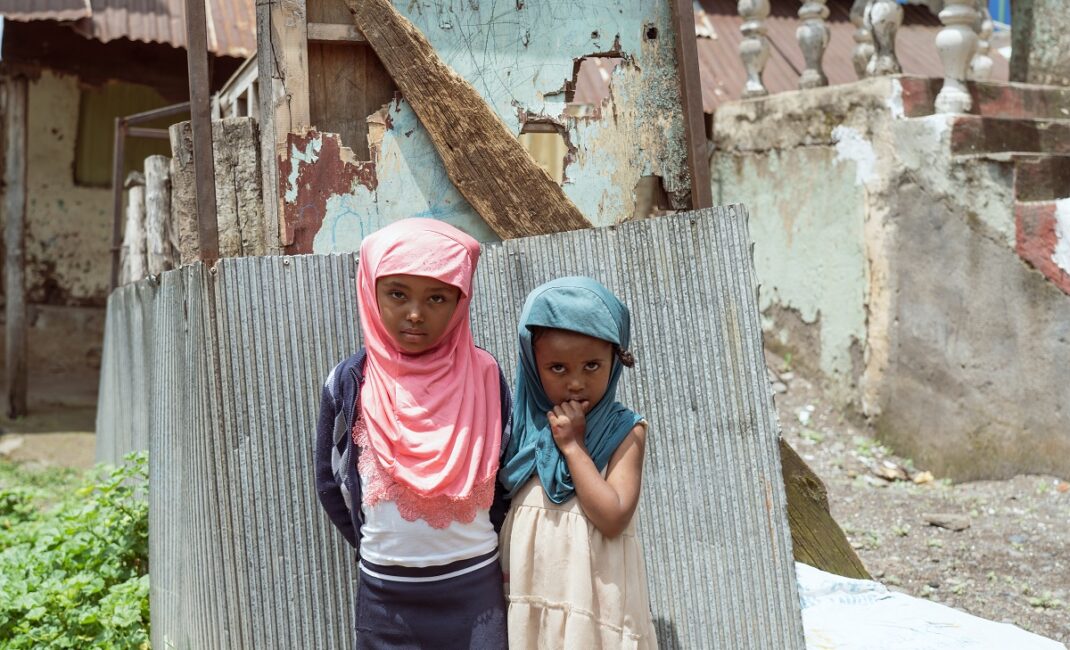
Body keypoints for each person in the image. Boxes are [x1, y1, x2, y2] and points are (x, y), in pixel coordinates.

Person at [314, 218, 510, 649]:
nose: (416, 313)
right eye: (397, 294)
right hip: (386, 599)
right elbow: (330, 484)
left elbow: (507, 474)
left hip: (477, 593)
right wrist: (377, 550)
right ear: (371, 289)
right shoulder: (350, 381)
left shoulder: (485, 377)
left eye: (438, 297)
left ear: (461, 301)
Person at [498, 276, 659, 649]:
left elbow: (613, 516)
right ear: (532, 364)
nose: (575, 383)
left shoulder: (625, 431)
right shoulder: (519, 429)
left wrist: (572, 446)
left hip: (594, 603)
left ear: (615, 362)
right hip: (531, 597)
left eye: (591, 366)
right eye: (557, 368)